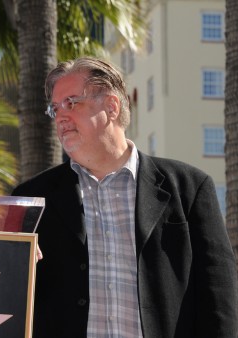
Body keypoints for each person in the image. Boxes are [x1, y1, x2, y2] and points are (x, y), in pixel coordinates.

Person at [12, 56, 238, 337]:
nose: (60, 117)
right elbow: (7, 298)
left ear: (111, 106)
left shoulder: (190, 188)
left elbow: (219, 300)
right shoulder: (31, 198)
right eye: (54, 108)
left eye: (71, 103)